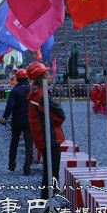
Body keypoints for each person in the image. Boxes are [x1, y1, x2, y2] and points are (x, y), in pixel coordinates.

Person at [26, 61, 65, 200]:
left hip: (43, 137)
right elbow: (60, 114)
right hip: (49, 137)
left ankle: (47, 200)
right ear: (40, 77)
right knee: (51, 172)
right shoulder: (42, 95)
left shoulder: (35, 93)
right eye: (47, 73)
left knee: (49, 171)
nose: (50, 76)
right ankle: (47, 202)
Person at [0, 69, 32, 175]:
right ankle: (27, 168)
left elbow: (10, 106)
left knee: (14, 143)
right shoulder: (31, 90)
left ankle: (12, 165)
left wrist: (4, 117)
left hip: (17, 121)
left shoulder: (15, 90)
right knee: (29, 144)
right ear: (27, 78)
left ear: (17, 78)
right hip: (29, 121)